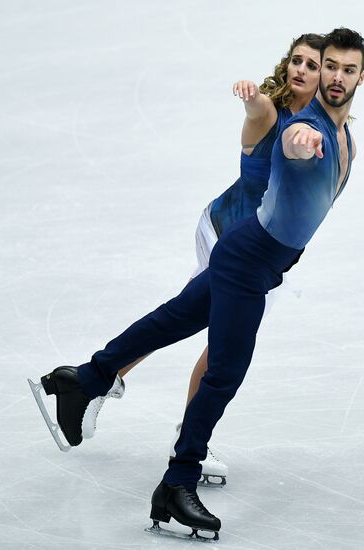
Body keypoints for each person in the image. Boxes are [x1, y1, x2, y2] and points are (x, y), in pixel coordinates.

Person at [29, 28, 364, 542]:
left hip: (250, 258)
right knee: (226, 370)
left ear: (361, 75)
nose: (335, 77)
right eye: (329, 67)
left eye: (346, 69)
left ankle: (85, 379)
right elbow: (294, 144)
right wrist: (299, 138)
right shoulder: (304, 127)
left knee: (172, 321)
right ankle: (177, 480)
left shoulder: (346, 141)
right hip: (247, 261)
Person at [79, 33, 324, 487]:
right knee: (203, 330)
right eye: (297, 60)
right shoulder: (273, 112)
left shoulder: (320, 123)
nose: (302, 70)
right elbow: (259, 112)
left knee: (194, 325)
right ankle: (110, 390)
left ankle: (100, 382)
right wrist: (251, 96)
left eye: (312, 64)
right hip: (226, 236)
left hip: (252, 252)